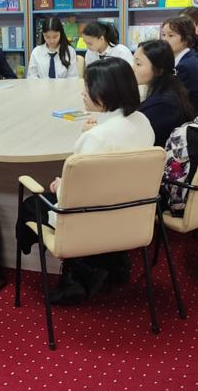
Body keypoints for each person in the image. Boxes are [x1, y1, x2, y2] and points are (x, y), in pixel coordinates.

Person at [16, 57, 155, 305]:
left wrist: (61, 185)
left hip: (90, 221)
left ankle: (77, 272)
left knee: (31, 205)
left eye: (87, 88)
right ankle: (112, 262)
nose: (83, 93)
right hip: (134, 215)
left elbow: (73, 198)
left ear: (104, 93)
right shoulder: (143, 121)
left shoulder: (96, 138)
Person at [132, 40, 196, 147]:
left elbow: (135, 134)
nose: (132, 68)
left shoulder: (164, 104)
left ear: (159, 70)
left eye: (138, 64)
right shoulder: (167, 89)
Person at [162, 15, 198, 120]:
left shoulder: (185, 65)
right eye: (163, 35)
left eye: (170, 35)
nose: (165, 40)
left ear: (185, 39)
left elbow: (172, 100)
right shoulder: (187, 59)